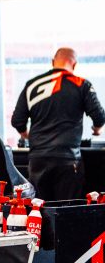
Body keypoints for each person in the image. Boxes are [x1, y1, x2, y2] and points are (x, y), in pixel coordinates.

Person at [11, 47, 105, 201]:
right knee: (68, 210)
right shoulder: (82, 84)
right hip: (67, 160)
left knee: (39, 208)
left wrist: (27, 135)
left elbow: (17, 120)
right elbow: (99, 117)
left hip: (38, 160)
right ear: (74, 65)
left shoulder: (32, 85)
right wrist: (97, 130)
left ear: (52, 62)